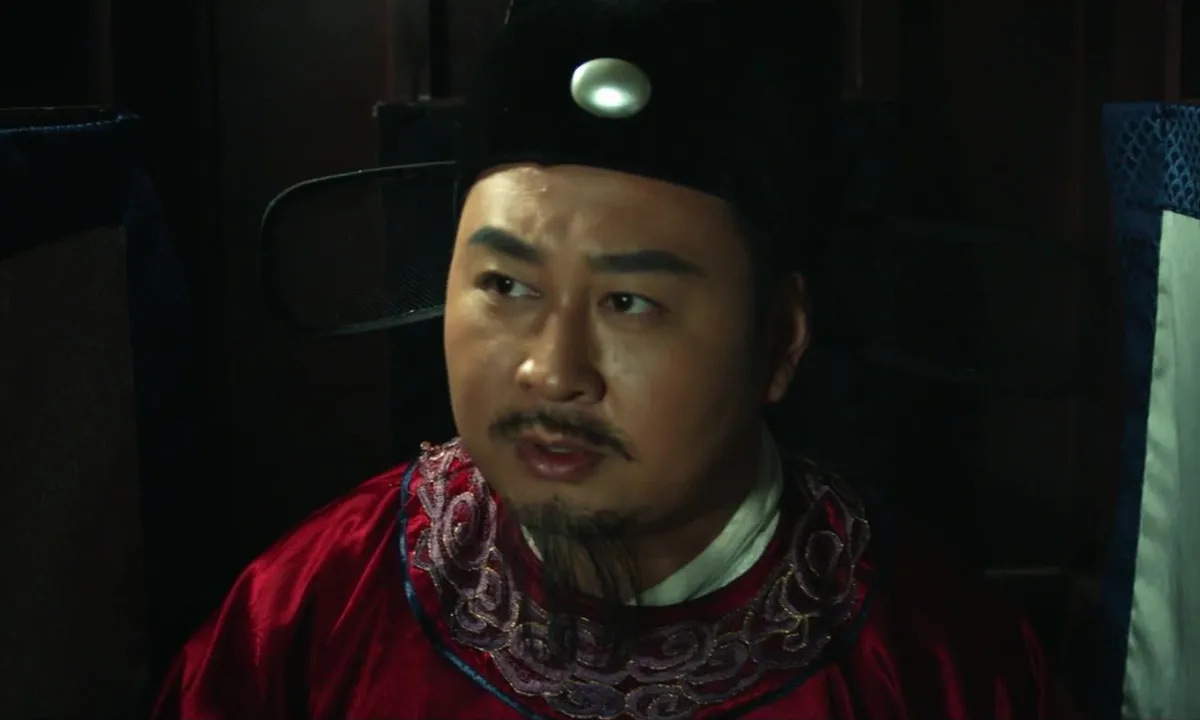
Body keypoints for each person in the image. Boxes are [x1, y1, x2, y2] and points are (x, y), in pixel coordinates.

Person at [154, 0, 1057, 718]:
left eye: (629, 303)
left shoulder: (937, 664)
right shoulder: (310, 611)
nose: (552, 372)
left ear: (780, 340)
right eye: (506, 285)